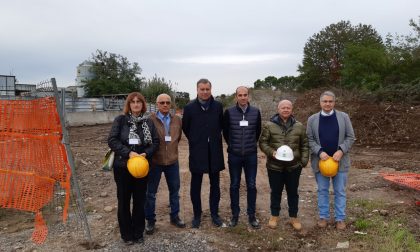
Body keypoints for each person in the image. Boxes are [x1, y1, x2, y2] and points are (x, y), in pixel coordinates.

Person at [108, 92, 159, 244]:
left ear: (143, 104)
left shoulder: (149, 123)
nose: (136, 104)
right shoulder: (121, 120)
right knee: (123, 201)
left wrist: (146, 153)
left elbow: (156, 142)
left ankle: (138, 233)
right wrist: (128, 153)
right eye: (133, 102)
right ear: (129, 105)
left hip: (141, 169)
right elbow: (112, 140)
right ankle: (126, 235)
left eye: (139, 102)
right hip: (123, 167)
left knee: (139, 201)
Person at [306, 91, 355, 230]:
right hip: (321, 162)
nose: (327, 104)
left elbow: (350, 137)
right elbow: (309, 139)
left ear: (334, 102)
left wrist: (341, 150)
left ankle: (340, 219)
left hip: (340, 161)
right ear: (320, 103)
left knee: (339, 190)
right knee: (322, 190)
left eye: (330, 101)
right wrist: (319, 151)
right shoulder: (312, 119)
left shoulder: (343, 117)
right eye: (325, 101)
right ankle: (323, 217)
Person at [259, 100, 309, 231]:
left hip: (293, 166)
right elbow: (262, 143)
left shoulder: (299, 126)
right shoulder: (269, 125)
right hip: (275, 166)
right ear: (278, 109)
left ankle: (294, 217)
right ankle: (274, 215)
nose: (285, 110)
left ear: (292, 110)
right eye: (283, 108)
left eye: (288, 108)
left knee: (293, 192)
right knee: (275, 192)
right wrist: (272, 152)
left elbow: (304, 144)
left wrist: (303, 161)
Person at [182, 78, 225, 228]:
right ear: (197, 90)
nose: (205, 92)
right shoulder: (189, 108)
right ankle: (197, 215)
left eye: (207, 89)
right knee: (196, 185)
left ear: (211, 89)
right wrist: (196, 140)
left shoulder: (218, 106)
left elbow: (221, 125)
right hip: (197, 151)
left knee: (215, 185)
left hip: (214, 151)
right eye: (202, 89)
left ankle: (214, 214)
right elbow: (186, 128)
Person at [145, 94, 186, 234]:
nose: (165, 105)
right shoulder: (150, 120)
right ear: (157, 104)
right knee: (151, 193)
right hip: (155, 162)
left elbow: (177, 138)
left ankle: (175, 216)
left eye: (167, 102)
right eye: (162, 102)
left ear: (171, 104)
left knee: (174, 192)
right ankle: (150, 220)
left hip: (173, 162)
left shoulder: (177, 120)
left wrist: (171, 151)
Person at [222, 86, 261, 229]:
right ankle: (235, 215)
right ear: (236, 97)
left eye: (245, 95)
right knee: (234, 185)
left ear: (248, 96)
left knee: (251, 185)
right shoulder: (229, 112)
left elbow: (258, 131)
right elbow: (225, 132)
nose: (243, 97)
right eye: (240, 95)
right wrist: (232, 146)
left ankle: (252, 216)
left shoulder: (256, 112)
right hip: (235, 155)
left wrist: (250, 145)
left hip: (251, 155)